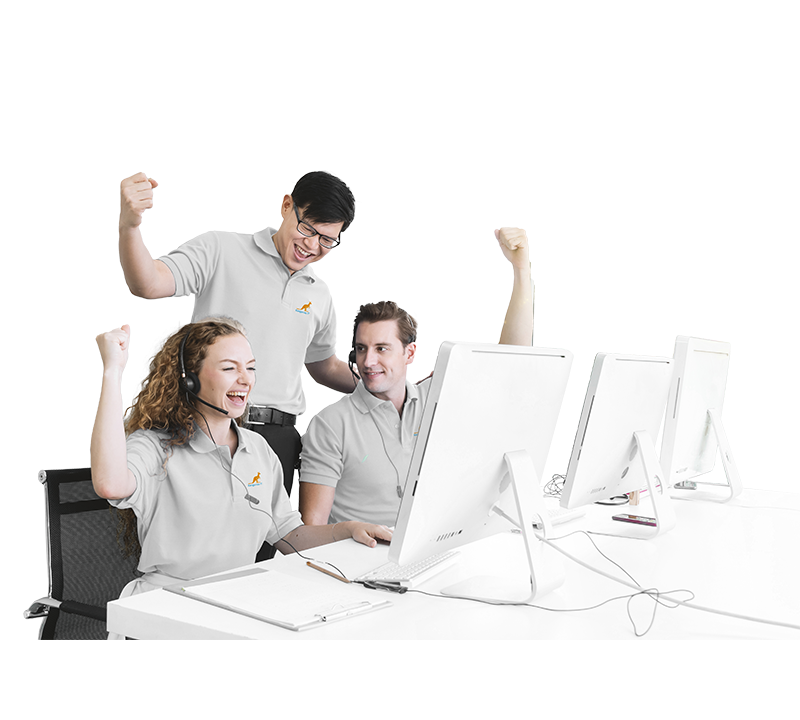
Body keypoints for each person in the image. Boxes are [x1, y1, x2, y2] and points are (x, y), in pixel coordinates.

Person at [117, 170, 359, 527]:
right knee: (197, 537)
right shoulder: (221, 248)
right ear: (286, 205)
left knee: (264, 548)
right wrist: (130, 226)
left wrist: (389, 384)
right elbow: (147, 283)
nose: (312, 245)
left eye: (327, 239)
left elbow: (324, 367)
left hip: (279, 438)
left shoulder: (319, 295)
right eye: (307, 228)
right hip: (208, 425)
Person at [91, 318, 392, 599]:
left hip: (235, 601)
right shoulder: (155, 446)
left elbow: (290, 536)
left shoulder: (258, 449)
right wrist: (112, 372)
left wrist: (347, 530)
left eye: (250, 368)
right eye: (229, 368)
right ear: (189, 379)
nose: (245, 379)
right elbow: (110, 485)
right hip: (167, 604)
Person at [299, 228, 534, 528]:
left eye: (382, 349)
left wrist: (521, 270)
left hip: (436, 551)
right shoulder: (329, 425)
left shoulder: (437, 398)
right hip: (363, 562)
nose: (368, 362)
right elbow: (312, 534)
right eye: (361, 349)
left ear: (410, 354)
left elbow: (513, 368)